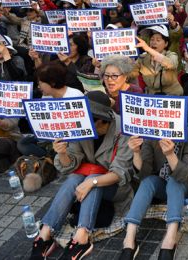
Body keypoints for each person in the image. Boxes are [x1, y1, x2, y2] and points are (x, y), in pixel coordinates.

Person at [29, 91, 134, 260]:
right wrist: (62, 153)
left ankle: (81, 237)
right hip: (86, 178)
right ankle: (45, 233)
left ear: (101, 121)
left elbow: (120, 173)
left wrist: (92, 182)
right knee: (74, 178)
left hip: (116, 187)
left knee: (90, 182)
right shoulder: (80, 126)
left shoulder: (123, 130)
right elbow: (71, 164)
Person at [118, 127, 188, 260]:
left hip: (185, 186)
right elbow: (144, 172)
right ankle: (129, 240)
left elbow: (185, 175)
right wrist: (136, 152)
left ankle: (170, 239)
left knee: (174, 181)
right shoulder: (152, 131)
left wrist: (170, 154)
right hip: (162, 185)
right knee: (148, 181)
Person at [132, 25, 183, 96]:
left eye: (158, 40)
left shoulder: (171, 55)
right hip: (152, 98)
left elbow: (171, 64)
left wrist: (148, 49)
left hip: (172, 96)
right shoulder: (143, 58)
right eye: (152, 39)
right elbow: (131, 73)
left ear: (166, 44)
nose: (154, 42)